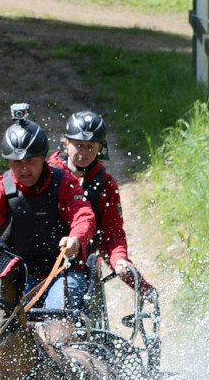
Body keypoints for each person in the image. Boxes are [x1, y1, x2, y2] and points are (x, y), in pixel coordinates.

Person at [0, 104, 96, 310]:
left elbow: (84, 216)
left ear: (43, 158)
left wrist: (75, 239)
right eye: (16, 162)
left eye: (30, 161)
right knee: (1, 314)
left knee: (56, 314)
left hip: (64, 272)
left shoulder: (65, 182)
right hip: (15, 274)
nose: (24, 168)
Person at [48, 110, 154, 297]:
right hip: (40, 262)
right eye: (78, 145)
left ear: (100, 147)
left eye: (90, 147)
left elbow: (111, 236)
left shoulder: (105, 185)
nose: (84, 153)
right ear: (66, 143)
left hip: (78, 268)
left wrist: (120, 259)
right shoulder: (46, 176)